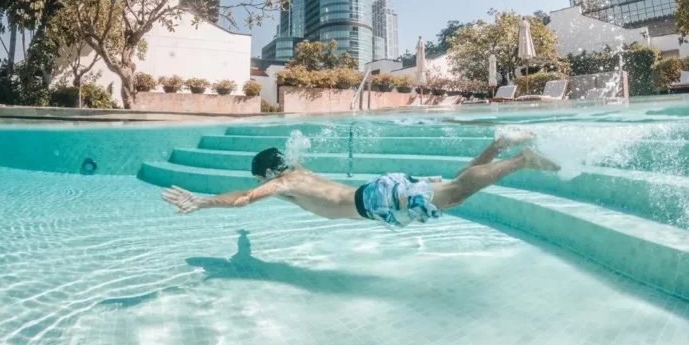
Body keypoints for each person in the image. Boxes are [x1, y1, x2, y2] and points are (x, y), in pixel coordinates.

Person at [161, 134, 560, 227]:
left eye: (260, 177)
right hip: (376, 194)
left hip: (374, 201)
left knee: (456, 192)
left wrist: (202, 201)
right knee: (453, 190)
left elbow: (246, 198)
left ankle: (519, 159)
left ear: (268, 172)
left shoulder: (284, 182)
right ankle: (498, 146)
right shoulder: (298, 174)